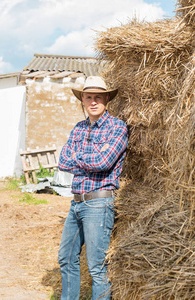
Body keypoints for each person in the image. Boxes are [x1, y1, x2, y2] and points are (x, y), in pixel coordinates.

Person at [58, 76, 128, 300]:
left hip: (99, 203)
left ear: (107, 98)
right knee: (66, 258)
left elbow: (104, 162)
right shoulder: (78, 128)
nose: (93, 101)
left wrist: (78, 158)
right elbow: (62, 161)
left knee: (97, 267)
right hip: (76, 202)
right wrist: (89, 158)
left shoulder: (117, 127)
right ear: (83, 100)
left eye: (98, 96)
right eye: (89, 97)